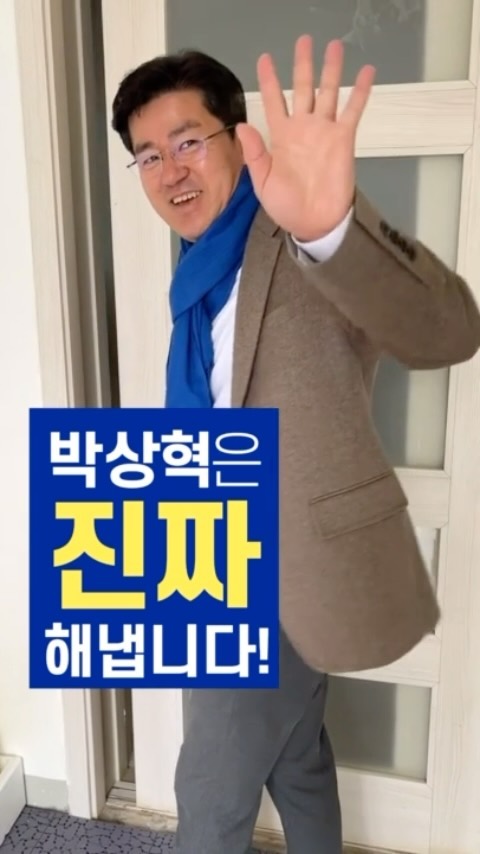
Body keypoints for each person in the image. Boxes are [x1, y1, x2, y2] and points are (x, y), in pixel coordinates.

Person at [111, 36, 480, 854]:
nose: (169, 172)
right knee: (299, 758)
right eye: (148, 155)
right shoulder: (199, 267)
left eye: (187, 142)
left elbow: (449, 329)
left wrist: (335, 230)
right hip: (203, 543)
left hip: (277, 565)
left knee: (210, 792)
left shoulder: (301, 237)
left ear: (237, 137)